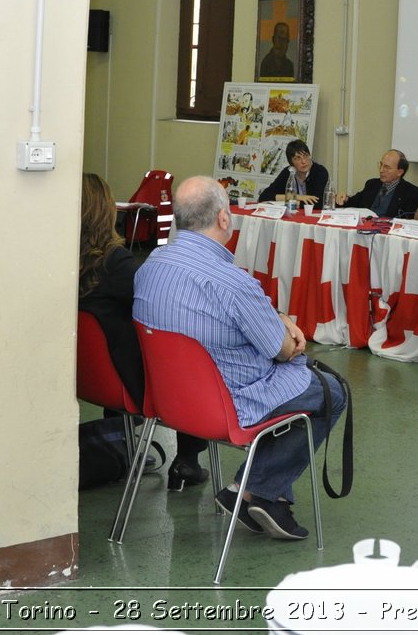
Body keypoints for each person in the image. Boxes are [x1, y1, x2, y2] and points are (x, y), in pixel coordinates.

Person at [134, 177, 345, 541]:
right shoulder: (233, 283)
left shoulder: (151, 264)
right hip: (229, 403)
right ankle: (254, 490)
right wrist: (284, 328)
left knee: (303, 389)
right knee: (332, 392)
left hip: (170, 401)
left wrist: (272, 320)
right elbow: (282, 350)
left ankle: (261, 492)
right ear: (223, 219)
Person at [77, 174, 209, 491]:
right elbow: (158, 304)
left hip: (92, 377)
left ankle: (123, 444)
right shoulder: (114, 263)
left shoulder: (67, 261)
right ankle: (188, 459)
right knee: (191, 357)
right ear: (104, 211)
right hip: (128, 382)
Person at [334, 150, 418, 218]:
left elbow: (407, 221)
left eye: (387, 167)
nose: (381, 170)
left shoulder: (412, 193)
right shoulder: (372, 184)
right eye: (381, 165)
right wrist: (344, 198)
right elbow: (353, 203)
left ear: (400, 172)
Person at [257, 139, 328, 205]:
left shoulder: (320, 172)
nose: (303, 161)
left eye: (305, 156)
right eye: (297, 158)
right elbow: (264, 197)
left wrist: (288, 202)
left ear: (310, 156)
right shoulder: (287, 172)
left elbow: (317, 204)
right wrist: (296, 197)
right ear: (291, 163)